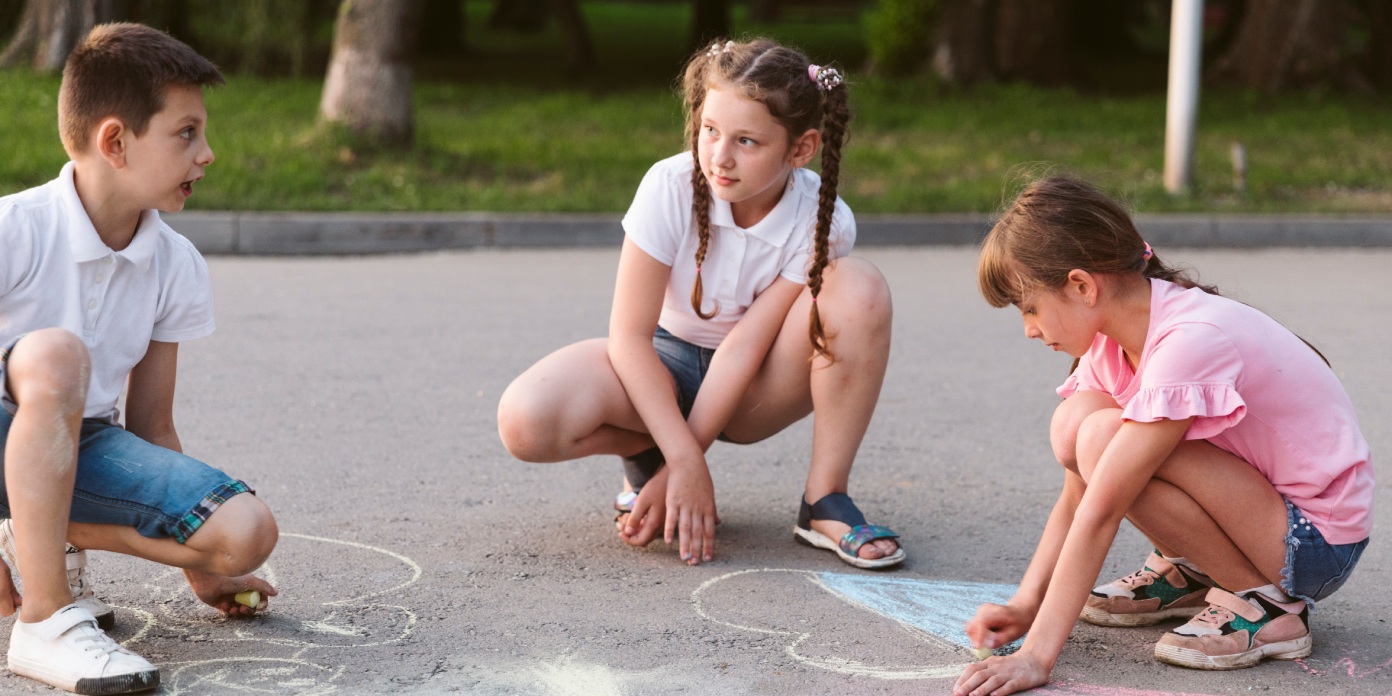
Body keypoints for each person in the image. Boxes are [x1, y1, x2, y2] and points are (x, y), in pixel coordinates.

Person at [954, 176, 1372, 696]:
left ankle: (1267, 607)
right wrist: (1026, 603)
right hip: (1260, 511)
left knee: (1104, 439)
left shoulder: (1189, 341)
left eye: (1029, 307)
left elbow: (1103, 507)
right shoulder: (1112, 339)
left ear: (1082, 286)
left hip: (1314, 543)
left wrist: (1038, 654)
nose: (1029, 329)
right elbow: (1078, 491)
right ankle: (1192, 571)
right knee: (1077, 426)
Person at [497, 38, 903, 569]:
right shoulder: (669, 186)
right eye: (710, 131)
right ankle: (647, 452)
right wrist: (681, 463)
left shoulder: (823, 218)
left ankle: (824, 499)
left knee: (859, 287)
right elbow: (629, 338)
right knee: (524, 420)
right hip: (660, 364)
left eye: (747, 141)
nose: (720, 156)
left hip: (756, 385)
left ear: (800, 149)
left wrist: (686, 466)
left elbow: (744, 347)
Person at [0, 23, 279, 694]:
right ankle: (45, 615)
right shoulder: (13, 230)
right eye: (186, 134)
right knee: (56, 354)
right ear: (115, 142)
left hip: (78, 447)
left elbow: (152, 427)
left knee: (246, 531)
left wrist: (205, 562)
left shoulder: (175, 263)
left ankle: (29, 538)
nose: (207, 154)